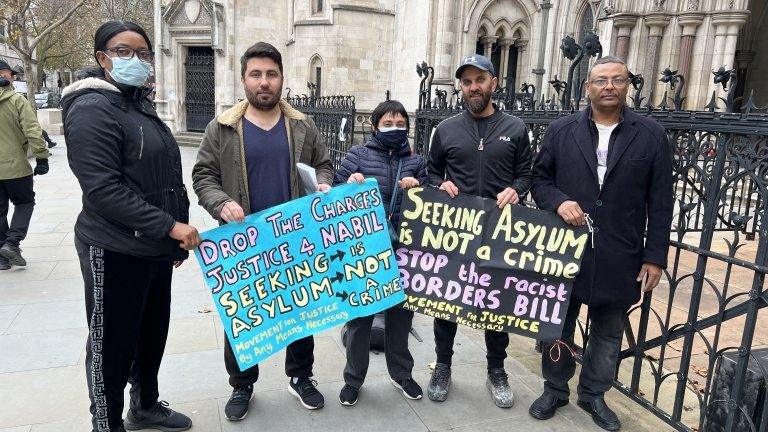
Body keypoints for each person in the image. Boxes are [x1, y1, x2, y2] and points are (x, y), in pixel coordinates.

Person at [61, 20, 200, 432]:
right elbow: (103, 190)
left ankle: (146, 405)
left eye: (143, 53)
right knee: (111, 342)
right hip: (115, 246)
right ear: (103, 58)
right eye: (125, 52)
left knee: (151, 333)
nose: (136, 60)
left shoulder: (137, 103)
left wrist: (170, 239)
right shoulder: (91, 108)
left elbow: (162, 175)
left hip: (153, 247)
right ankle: (106, 423)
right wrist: (171, 227)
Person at [192, 41, 334, 422]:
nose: (264, 82)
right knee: (242, 315)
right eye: (256, 74)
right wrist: (220, 203)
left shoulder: (302, 125)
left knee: (303, 309)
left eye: (271, 74)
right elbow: (203, 175)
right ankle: (242, 383)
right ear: (243, 80)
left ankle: (300, 376)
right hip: (244, 243)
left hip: (295, 239)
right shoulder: (221, 127)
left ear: (282, 79)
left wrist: (322, 184)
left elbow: (324, 165)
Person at [529, 56, 673, 431]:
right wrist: (559, 201)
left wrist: (654, 257)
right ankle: (555, 388)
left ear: (628, 86)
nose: (608, 86)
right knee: (558, 324)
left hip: (620, 252)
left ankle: (593, 394)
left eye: (617, 80)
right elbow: (539, 180)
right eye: (600, 80)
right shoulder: (561, 131)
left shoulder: (652, 135)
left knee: (608, 333)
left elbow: (660, 201)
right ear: (587, 88)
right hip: (565, 250)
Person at [426, 54, 532, 407]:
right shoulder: (445, 130)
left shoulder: (516, 128)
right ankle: (442, 365)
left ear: (494, 82)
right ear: (461, 87)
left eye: (480, 80)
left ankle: (496, 370)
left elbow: (526, 174)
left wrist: (517, 189)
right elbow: (431, 173)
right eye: (467, 82)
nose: (473, 87)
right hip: (456, 230)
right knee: (446, 301)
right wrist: (440, 186)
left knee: (496, 304)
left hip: (500, 230)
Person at [332, 99, 427, 406]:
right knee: (360, 319)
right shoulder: (357, 155)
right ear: (374, 127)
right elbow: (332, 193)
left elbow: (432, 206)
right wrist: (349, 183)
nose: (395, 129)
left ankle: (402, 375)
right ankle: (353, 379)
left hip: (404, 251)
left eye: (401, 124)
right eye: (387, 124)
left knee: (400, 317)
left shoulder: (416, 162)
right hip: (364, 251)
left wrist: (418, 190)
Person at [0, 59, 50, 270]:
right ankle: (12, 243)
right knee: (24, 203)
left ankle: (3, 257)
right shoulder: (17, 101)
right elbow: (33, 131)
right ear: (5, 74)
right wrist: (42, 157)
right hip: (15, 167)